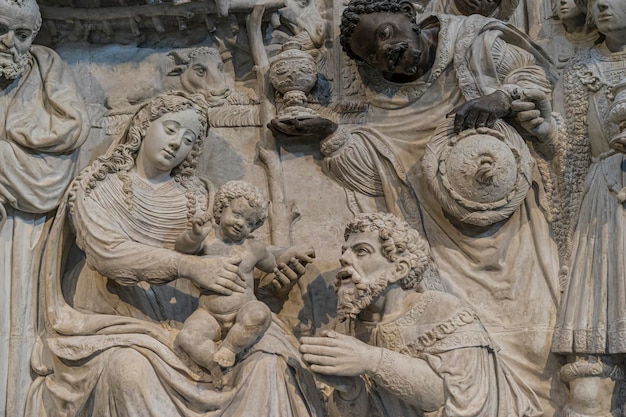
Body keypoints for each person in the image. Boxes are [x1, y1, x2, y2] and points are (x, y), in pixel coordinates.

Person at [269, 0, 564, 412]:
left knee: (535, 333)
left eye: (386, 33)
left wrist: (502, 97)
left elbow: (539, 81)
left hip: (510, 228)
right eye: (372, 53)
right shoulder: (389, 104)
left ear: (412, 16)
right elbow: (385, 166)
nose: (385, 51)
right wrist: (331, 132)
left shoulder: (478, 43)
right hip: (441, 242)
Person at [26, 91, 324, 417]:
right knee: (129, 372)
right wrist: (185, 265)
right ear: (143, 125)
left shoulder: (201, 195)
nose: (176, 143)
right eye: (170, 129)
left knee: (270, 362)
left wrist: (273, 272)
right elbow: (107, 253)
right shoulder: (98, 185)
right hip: (119, 316)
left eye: (188, 139)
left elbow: (234, 248)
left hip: (199, 316)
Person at [300, 212, 543, 417]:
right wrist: (349, 392)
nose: (344, 258)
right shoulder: (348, 328)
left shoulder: (443, 312)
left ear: (399, 269)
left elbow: (460, 397)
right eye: (345, 251)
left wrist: (371, 360)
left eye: (361, 251)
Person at [0, 0, 90, 415]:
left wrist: (13, 152)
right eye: (1, 30)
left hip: (28, 218)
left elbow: (69, 130)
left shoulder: (45, 68)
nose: (9, 43)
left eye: (21, 35)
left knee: (17, 318)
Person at [551, 0, 626, 415]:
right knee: (591, 362)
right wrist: (543, 127)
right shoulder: (580, 70)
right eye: (595, 0)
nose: (602, 6)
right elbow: (565, 145)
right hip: (602, 201)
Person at [175, 180, 315, 373]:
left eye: (249, 222)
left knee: (259, 313)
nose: (241, 223)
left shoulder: (253, 248)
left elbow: (273, 263)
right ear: (221, 209)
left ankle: (229, 349)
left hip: (243, 309)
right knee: (188, 336)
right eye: (237, 214)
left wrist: (288, 255)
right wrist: (193, 235)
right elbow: (182, 250)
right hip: (209, 314)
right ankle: (211, 362)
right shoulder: (207, 240)